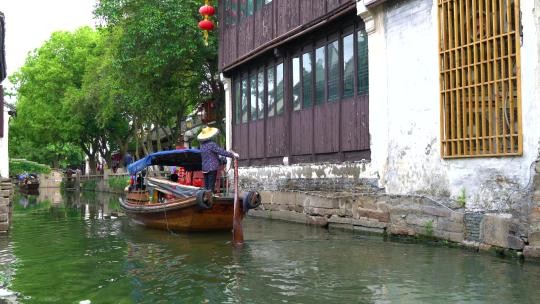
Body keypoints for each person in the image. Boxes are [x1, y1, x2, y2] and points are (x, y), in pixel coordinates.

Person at [197, 127, 239, 192]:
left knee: (206, 186)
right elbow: (221, 151)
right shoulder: (211, 144)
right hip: (212, 167)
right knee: (211, 187)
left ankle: (205, 199)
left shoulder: (202, 145)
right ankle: (210, 198)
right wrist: (232, 155)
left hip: (204, 168)